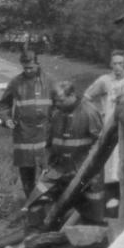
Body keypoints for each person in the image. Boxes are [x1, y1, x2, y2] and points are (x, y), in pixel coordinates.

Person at [25, 80, 106, 224]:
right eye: (55, 101)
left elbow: (101, 145)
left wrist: (90, 170)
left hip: (84, 172)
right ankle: (37, 234)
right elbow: (49, 143)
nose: (57, 105)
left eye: (61, 101)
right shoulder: (56, 114)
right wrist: (46, 163)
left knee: (92, 211)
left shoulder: (89, 112)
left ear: (72, 95)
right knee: (37, 199)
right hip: (59, 170)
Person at [0, 51, 53, 198]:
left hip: (44, 132)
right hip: (23, 133)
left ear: (37, 64)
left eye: (31, 68)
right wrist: (6, 118)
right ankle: (29, 200)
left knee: (47, 167)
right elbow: (3, 104)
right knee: (26, 168)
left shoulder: (49, 81)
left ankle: (45, 198)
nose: (28, 71)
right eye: (25, 68)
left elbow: (58, 104)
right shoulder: (16, 82)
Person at [83, 50, 124, 208]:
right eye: (115, 64)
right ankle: (111, 208)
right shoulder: (105, 80)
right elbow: (86, 97)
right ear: (110, 65)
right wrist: (97, 116)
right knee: (111, 168)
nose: (118, 67)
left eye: (121, 63)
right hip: (110, 129)